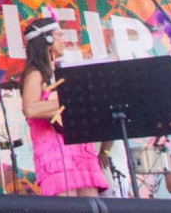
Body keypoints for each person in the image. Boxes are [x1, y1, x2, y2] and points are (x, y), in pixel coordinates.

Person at [20, 17, 108, 197]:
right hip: (54, 148)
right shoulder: (35, 73)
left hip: (79, 144)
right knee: (66, 204)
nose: (63, 39)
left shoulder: (62, 71)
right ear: (48, 40)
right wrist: (71, 99)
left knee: (90, 204)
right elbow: (30, 108)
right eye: (59, 35)